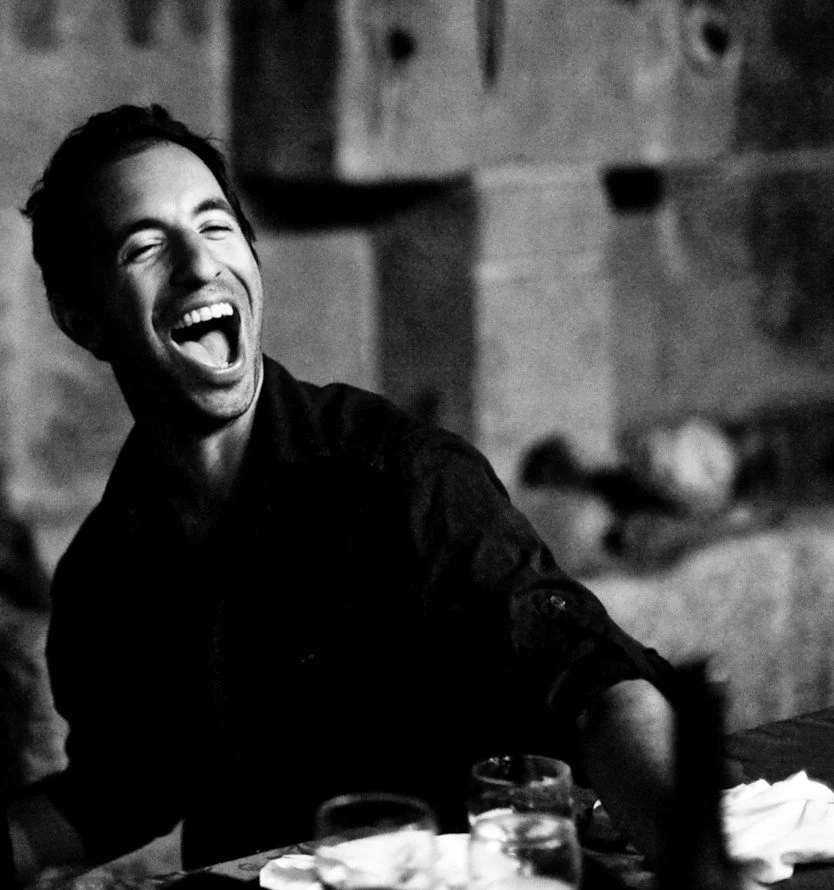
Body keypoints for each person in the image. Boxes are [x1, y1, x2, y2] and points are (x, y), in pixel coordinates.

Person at [2, 104, 688, 883]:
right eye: (146, 246)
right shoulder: (107, 570)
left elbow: (598, 688)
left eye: (217, 227)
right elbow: (121, 789)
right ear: (81, 319)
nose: (199, 265)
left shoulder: (400, 477)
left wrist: (700, 865)